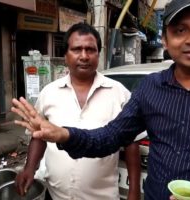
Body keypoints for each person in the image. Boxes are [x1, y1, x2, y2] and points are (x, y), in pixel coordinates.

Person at [11, 0, 190, 199]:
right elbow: (110, 137)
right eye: (180, 30)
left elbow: (131, 146)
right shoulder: (150, 88)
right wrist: (64, 135)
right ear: (165, 41)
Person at [13, 22, 141, 200]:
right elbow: (38, 136)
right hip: (55, 195)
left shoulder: (119, 94)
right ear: (65, 55)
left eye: (90, 49)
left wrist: (134, 190)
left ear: (98, 54)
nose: (84, 56)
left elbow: (131, 143)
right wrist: (29, 168)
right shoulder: (49, 93)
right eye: (76, 49)